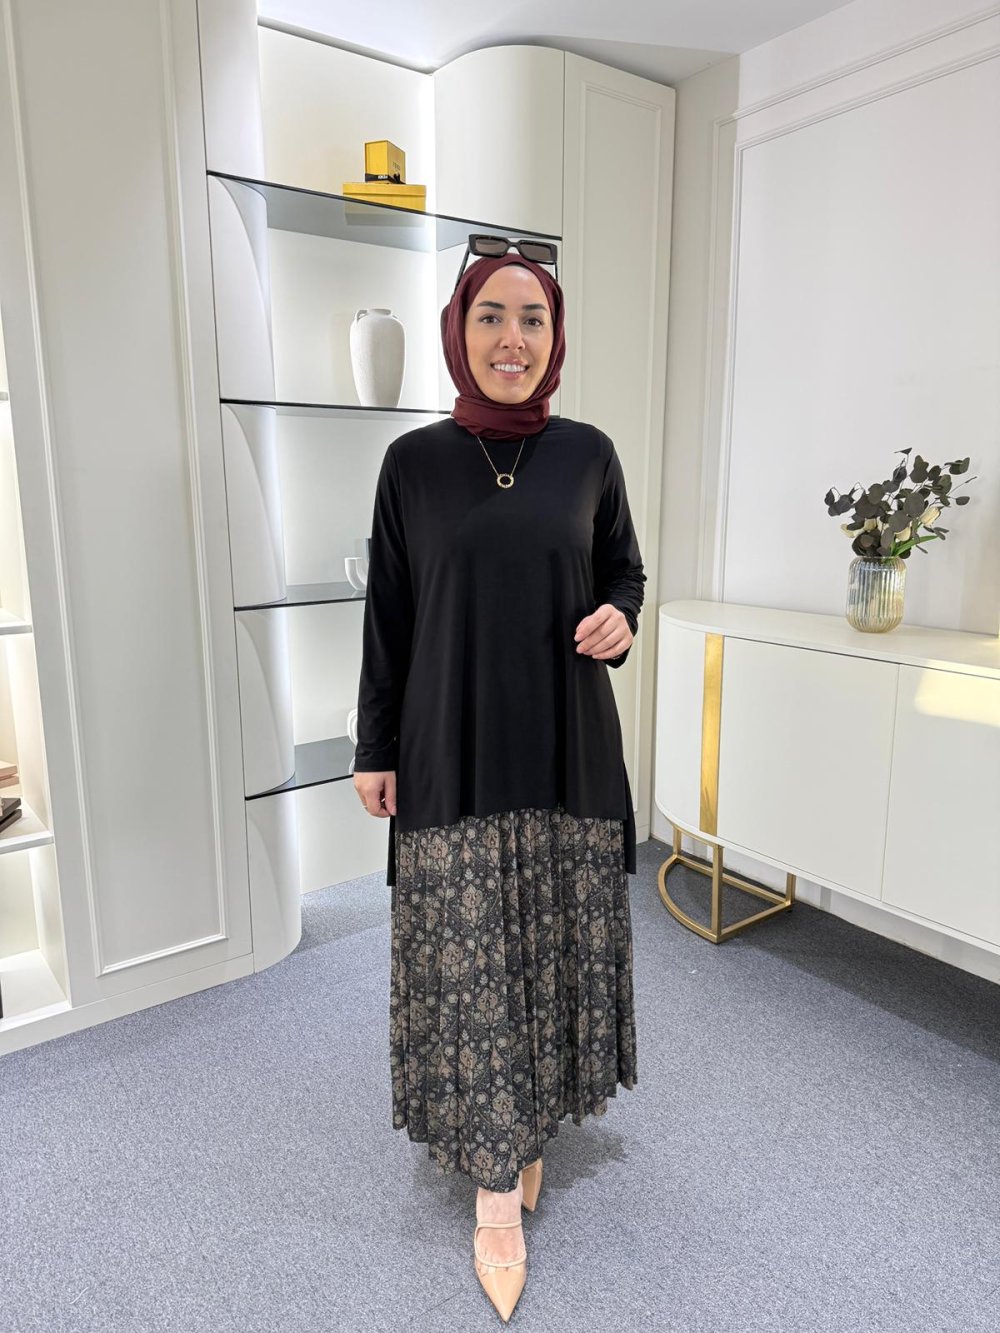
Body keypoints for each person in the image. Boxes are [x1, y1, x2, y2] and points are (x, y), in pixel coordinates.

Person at [352, 244, 645, 1323]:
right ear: (458, 329)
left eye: (532, 318)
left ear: (554, 336)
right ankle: (493, 1192)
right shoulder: (412, 464)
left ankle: (525, 1122)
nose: (511, 338)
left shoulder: (590, 454)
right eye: (490, 316)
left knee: (550, 943)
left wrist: (621, 619)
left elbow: (623, 570)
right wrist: (373, 746)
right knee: (471, 954)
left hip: (567, 743)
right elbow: (387, 615)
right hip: (451, 744)